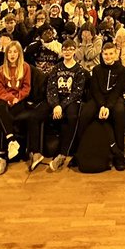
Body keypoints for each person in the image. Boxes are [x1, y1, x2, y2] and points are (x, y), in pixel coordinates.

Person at [0, 41, 47, 175]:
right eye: (10, 52)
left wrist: (17, 98)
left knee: (2, 118)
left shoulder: (25, 67)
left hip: (19, 100)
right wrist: (9, 98)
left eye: (15, 52)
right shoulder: (1, 69)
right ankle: (10, 142)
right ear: (6, 54)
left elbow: (26, 88)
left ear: (19, 53)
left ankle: (2, 154)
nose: (12, 54)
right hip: (4, 100)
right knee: (1, 109)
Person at [77, 40, 125, 171]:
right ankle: (79, 151)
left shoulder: (122, 70)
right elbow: (95, 90)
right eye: (106, 54)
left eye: (111, 54)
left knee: (119, 114)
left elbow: (117, 90)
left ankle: (119, 155)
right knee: (85, 113)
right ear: (102, 54)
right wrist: (102, 105)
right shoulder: (96, 70)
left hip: (114, 99)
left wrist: (108, 107)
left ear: (116, 54)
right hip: (98, 99)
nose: (108, 57)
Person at [46, 37, 87, 171]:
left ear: (75, 51)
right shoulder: (56, 68)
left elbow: (77, 92)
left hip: (72, 100)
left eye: (70, 49)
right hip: (57, 99)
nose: (67, 52)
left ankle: (63, 154)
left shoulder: (79, 70)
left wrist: (61, 106)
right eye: (65, 49)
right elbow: (51, 89)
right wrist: (55, 105)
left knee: (72, 116)